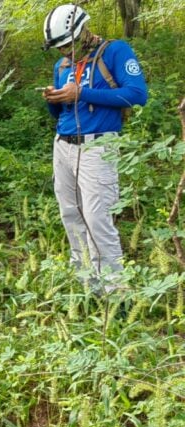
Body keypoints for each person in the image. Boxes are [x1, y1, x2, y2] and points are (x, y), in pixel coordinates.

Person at [41, 4, 148, 293]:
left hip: (98, 145)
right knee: (70, 214)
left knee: (97, 218)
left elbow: (138, 94)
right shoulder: (61, 66)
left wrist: (83, 92)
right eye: (59, 47)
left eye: (68, 44)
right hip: (63, 146)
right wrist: (53, 100)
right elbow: (62, 114)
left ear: (83, 31)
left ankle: (115, 292)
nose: (64, 51)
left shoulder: (115, 51)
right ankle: (86, 284)